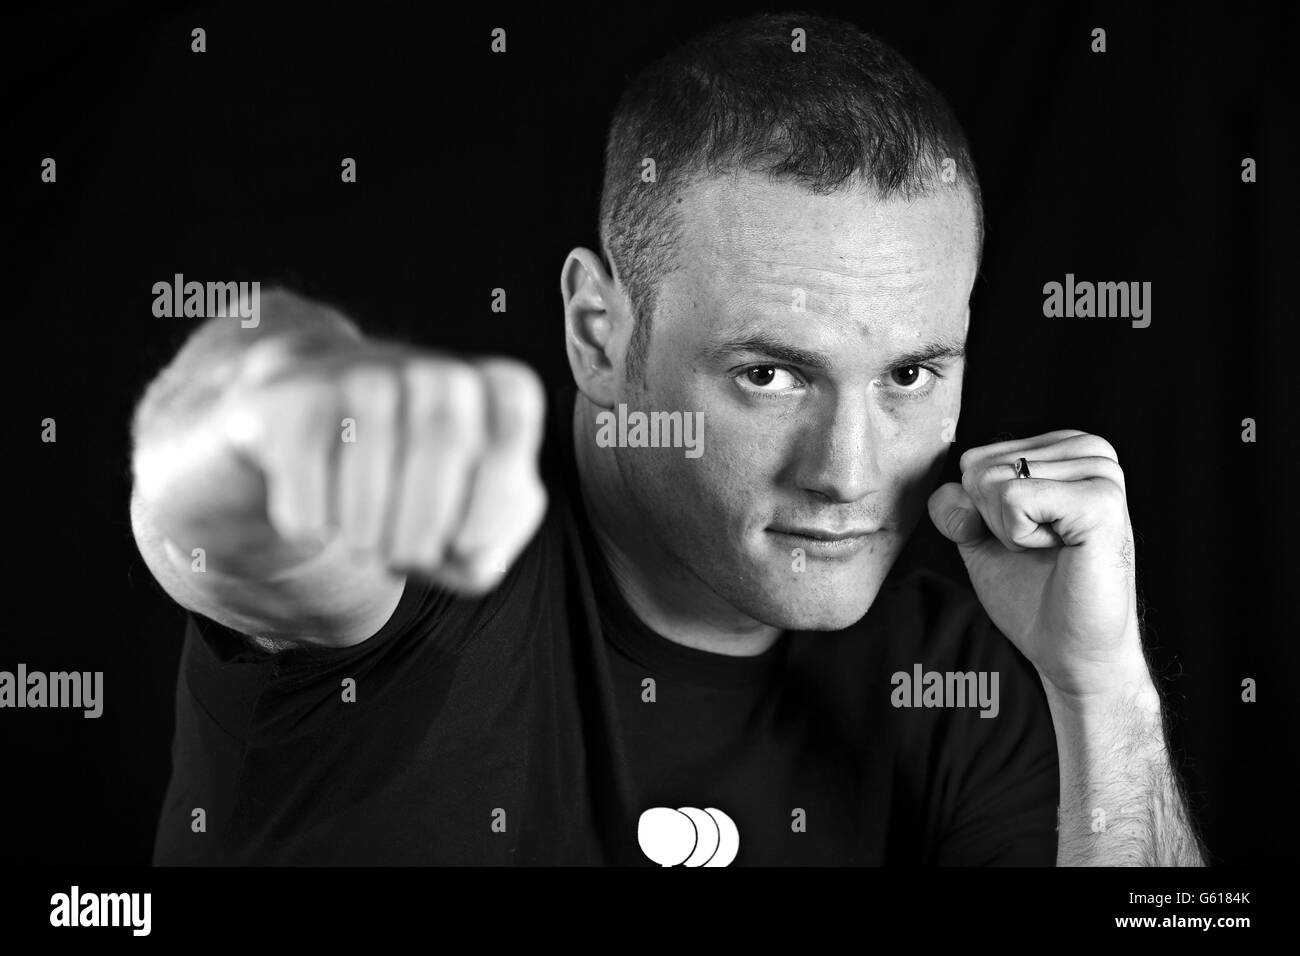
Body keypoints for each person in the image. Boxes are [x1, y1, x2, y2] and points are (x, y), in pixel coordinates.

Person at [129, 12, 1205, 866]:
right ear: (599, 331)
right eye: (769, 374)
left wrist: (1102, 690)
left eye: (911, 375)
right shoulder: (431, 565)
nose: (849, 472)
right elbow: (223, 507)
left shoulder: (961, 675)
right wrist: (248, 436)